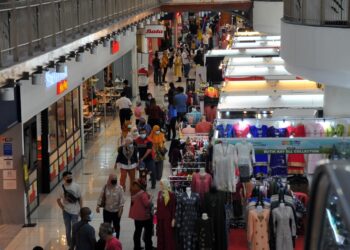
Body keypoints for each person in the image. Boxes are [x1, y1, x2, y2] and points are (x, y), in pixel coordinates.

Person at [57, 171, 82, 249]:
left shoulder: (77, 186)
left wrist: (81, 209)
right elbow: (58, 200)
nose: (70, 178)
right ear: (64, 178)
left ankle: (76, 244)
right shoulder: (61, 188)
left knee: (75, 229)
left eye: (71, 177)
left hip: (75, 212)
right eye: (68, 177)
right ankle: (70, 245)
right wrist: (63, 208)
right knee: (68, 230)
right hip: (66, 212)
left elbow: (80, 198)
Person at [96, 174, 125, 238]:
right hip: (107, 211)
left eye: (115, 180)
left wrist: (120, 210)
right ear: (109, 180)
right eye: (112, 180)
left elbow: (122, 201)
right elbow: (101, 197)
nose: (114, 181)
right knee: (106, 227)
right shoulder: (105, 187)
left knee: (116, 226)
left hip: (116, 211)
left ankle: (116, 239)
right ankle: (107, 240)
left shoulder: (120, 188)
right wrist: (98, 206)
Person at [129, 178, 153, 250]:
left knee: (137, 232)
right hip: (145, 217)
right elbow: (147, 204)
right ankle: (148, 247)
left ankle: (137, 247)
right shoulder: (142, 193)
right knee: (148, 233)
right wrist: (151, 198)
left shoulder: (134, 192)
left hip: (137, 217)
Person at [156, 179, 176, 250]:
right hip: (160, 218)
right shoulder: (159, 193)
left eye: (161, 184)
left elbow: (173, 207)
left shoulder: (171, 194)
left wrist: (173, 219)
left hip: (167, 218)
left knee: (168, 235)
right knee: (160, 235)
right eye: (160, 184)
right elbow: (159, 205)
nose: (160, 185)